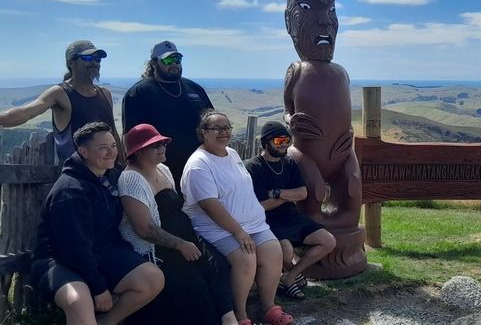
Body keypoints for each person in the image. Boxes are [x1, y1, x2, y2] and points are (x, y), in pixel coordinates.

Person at [30, 122, 163, 325]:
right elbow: (74, 248)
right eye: (103, 148)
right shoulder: (70, 191)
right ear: (83, 151)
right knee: (79, 300)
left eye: (113, 145)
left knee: (152, 278)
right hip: (58, 260)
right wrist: (99, 288)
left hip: (101, 253)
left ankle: (106, 322)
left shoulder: (108, 177)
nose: (111, 152)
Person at [181, 110, 293, 325]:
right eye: (216, 128)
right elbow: (209, 204)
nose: (223, 132)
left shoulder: (231, 154)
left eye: (226, 128)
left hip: (253, 224)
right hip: (218, 228)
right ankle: (240, 315)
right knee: (245, 258)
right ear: (203, 133)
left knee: (273, 253)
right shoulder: (199, 164)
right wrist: (239, 232)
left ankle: (268, 308)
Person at [118, 123, 236, 325]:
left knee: (217, 266)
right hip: (161, 250)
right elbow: (144, 228)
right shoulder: (131, 179)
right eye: (154, 146)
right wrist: (179, 244)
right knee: (192, 283)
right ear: (137, 153)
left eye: (162, 143)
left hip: (186, 238)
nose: (161, 148)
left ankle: (230, 319)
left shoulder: (163, 169)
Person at [245, 121, 336, 299]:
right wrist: (288, 196)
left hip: (291, 216)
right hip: (266, 220)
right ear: (266, 142)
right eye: (279, 141)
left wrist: (278, 194)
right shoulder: (253, 167)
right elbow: (261, 205)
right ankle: (288, 279)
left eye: (287, 140)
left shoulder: (290, 164)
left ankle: (290, 276)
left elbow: (302, 193)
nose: (285, 144)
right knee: (285, 251)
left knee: (328, 241)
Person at [0, 40, 125, 165]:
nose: (94, 62)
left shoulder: (105, 94)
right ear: (71, 62)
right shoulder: (60, 93)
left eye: (97, 59)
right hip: (78, 178)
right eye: (87, 57)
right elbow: (25, 112)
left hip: (108, 176)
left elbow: (113, 132)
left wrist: (123, 166)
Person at [122, 40, 213, 192]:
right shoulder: (139, 93)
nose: (174, 64)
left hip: (200, 170)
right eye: (168, 60)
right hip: (161, 174)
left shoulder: (195, 89)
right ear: (153, 63)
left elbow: (212, 124)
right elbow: (130, 138)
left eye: (177, 59)